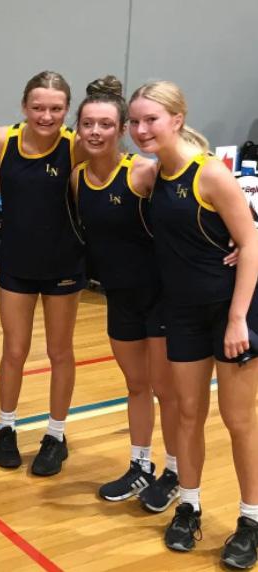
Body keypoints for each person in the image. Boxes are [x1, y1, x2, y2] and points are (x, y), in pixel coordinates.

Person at [129, 80, 258, 568]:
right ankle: (189, 506)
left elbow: (251, 243)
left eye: (152, 119)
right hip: (180, 314)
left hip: (230, 313)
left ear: (177, 119)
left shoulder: (210, 175)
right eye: (134, 121)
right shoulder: (151, 175)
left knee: (239, 421)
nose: (141, 129)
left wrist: (238, 318)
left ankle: (251, 521)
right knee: (187, 414)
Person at [71, 76, 180, 511]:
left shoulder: (143, 173)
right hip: (119, 299)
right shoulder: (78, 179)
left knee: (166, 391)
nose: (96, 132)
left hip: (160, 298)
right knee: (136, 386)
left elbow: (192, 207)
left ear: (120, 130)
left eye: (105, 124)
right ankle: (141, 466)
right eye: (88, 124)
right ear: (78, 129)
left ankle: (175, 472)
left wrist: (231, 244)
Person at [0, 71, 87, 475]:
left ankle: (55, 436)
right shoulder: (2, 141)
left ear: (67, 110)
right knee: (14, 350)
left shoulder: (76, 146)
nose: (46, 116)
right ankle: (5, 428)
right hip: (16, 262)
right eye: (38, 107)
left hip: (63, 263)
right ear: (24, 106)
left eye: (56, 109)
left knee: (60, 351)